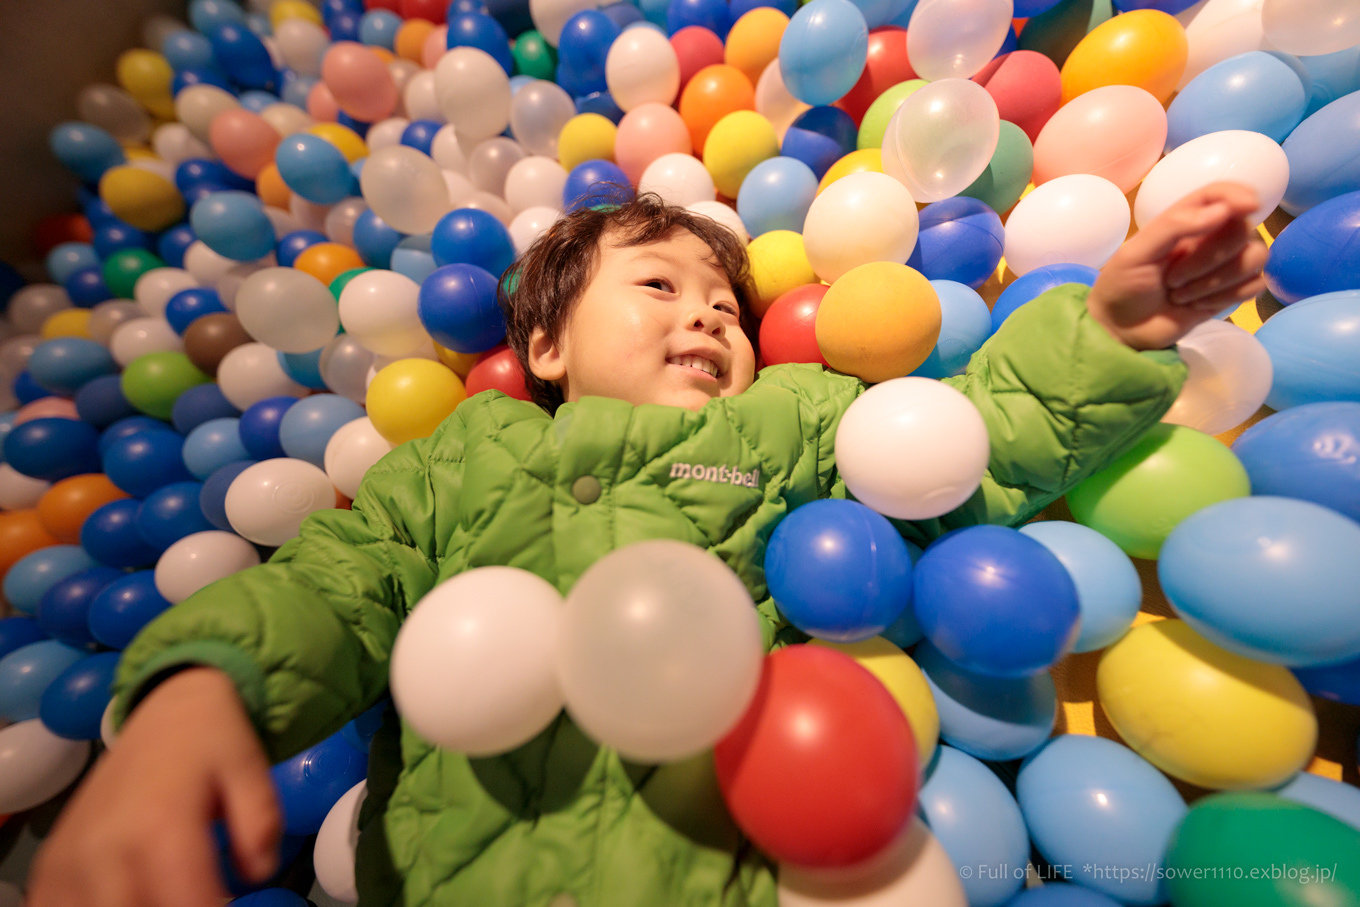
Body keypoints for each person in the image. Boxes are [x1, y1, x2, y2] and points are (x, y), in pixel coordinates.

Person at [27, 183, 1268, 907]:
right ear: (549, 351)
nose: (708, 313)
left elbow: (962, 448)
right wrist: (201, 697)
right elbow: (340, 588)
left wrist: (1108, 329)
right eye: (660, 288)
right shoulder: (473, 456)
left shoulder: (792, 423)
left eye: (724, 303)